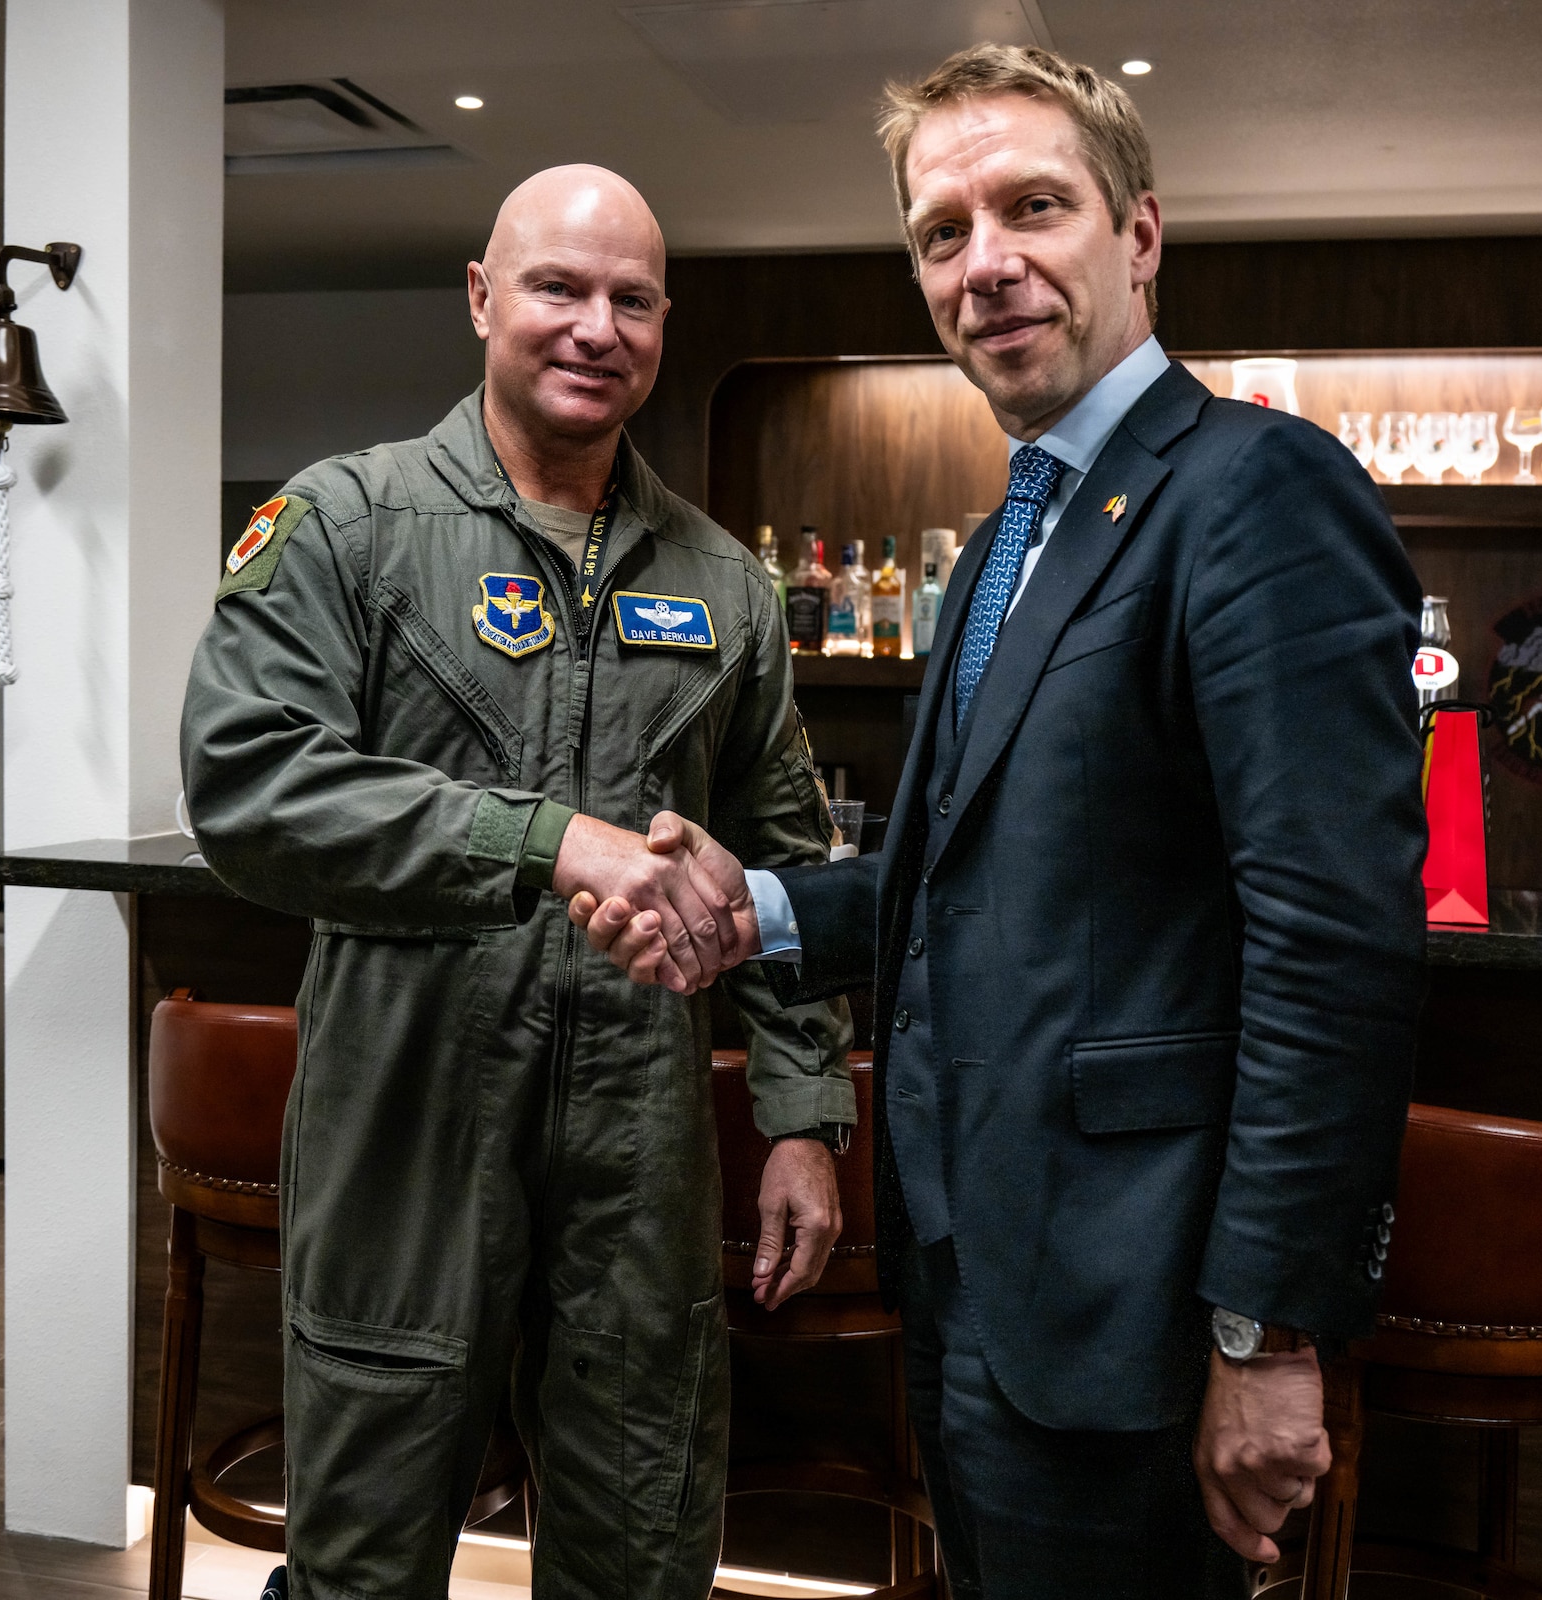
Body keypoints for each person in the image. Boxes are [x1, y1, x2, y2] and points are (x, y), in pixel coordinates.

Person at [574, 45, 1427, 1599]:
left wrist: (1270, 1331)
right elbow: (967, 879)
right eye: (941, 232)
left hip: (1148, 1313)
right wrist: (750, 908)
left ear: (1140, 236)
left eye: (1033, 207)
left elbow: (1336, 947)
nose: (988, 265)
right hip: (978, 1284)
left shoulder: (1257, 491)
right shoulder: (1001, 547)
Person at [181, 164, 855, 1600]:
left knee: (645, 1552)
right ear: (484, 298)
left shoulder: (727, 584)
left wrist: (803, 1115)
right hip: (405, 1118)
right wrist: (549, 840)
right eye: (558, 286)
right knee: (362, 1557)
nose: (594, 326)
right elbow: (252, 786)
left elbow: (786, 867)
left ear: (665, 324)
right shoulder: (348, 527)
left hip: (640, 1148)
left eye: (631, 299)